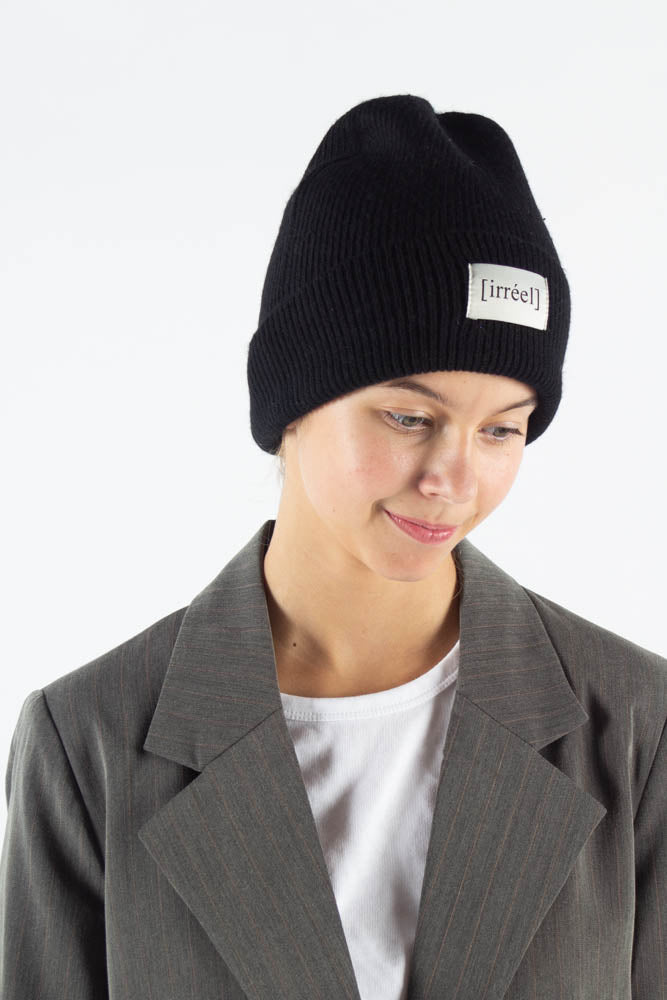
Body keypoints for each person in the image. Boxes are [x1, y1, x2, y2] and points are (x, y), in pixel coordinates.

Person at [0, 94, 664, 1000]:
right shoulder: (90, 744)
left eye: (502, 429)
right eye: (409, 417)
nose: (453, 478)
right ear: (291, 405)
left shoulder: (635, 728)